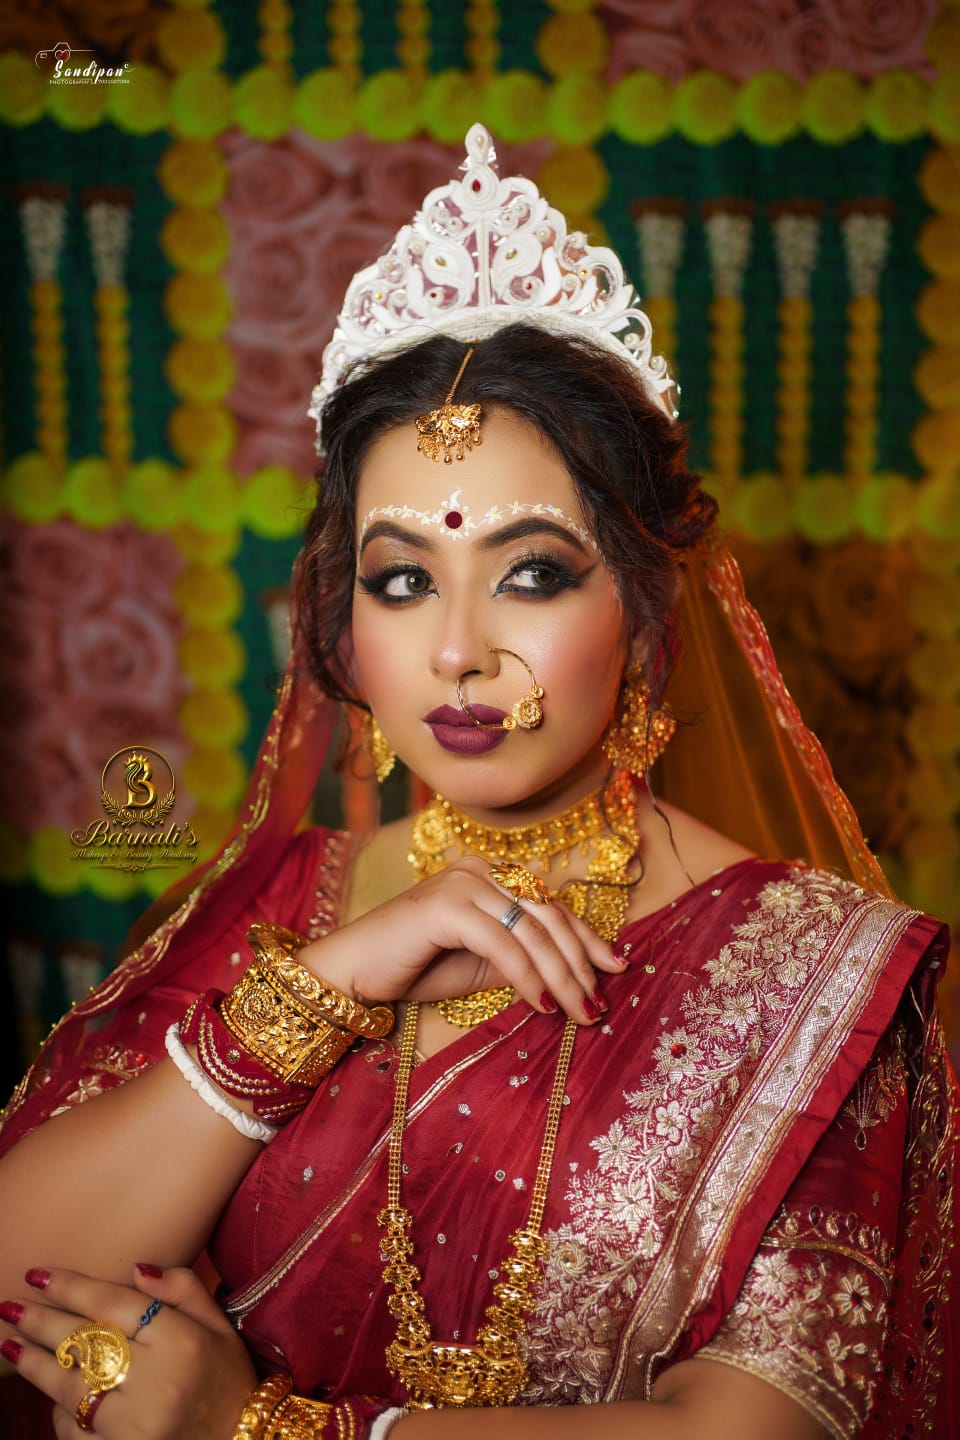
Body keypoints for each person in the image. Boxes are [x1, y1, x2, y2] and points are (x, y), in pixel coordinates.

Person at [0, 125, 956, 1440]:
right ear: (344, 621)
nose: (457, 648)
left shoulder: (815, 976)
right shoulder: (279, 911)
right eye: (401, 579)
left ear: (645, 608)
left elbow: (753, 1428)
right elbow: (21, 1280)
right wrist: (332, 985)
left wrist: (264, 1429)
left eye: (533, 573)